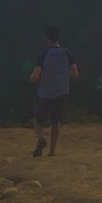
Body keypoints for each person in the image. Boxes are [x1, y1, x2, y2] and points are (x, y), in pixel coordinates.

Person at [30, 25, 79, 157]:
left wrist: (33, 78)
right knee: (55, 123)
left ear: (47, 38)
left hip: (45, 93)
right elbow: (75, 74)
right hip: (61, 92)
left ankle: (41, 139)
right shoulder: (67, 53)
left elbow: (35, 76)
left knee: (37, 119)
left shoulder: (44, 53)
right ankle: (52, 152)